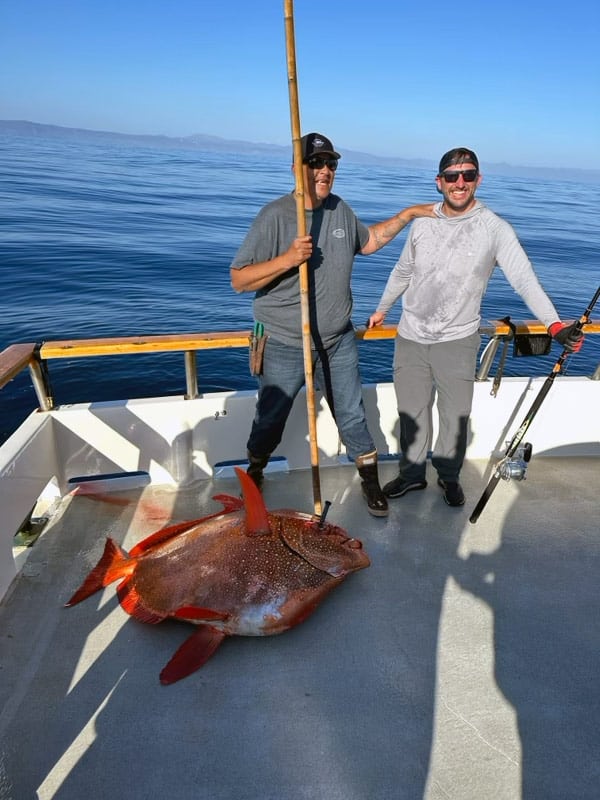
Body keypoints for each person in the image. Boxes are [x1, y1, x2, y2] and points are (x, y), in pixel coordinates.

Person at [230, 132, 435, 517]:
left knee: (353, 414)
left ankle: (370, 481)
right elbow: (239, 280)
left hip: (337, 341)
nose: (324, 171)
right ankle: (255, 472)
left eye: (331, 164)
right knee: (271, 416)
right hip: (283, 342)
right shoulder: (274, 216)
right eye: (315, 163)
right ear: (297, 168)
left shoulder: (340, 210)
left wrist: (406, 216)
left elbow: (369, 240)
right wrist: (288, 259)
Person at [367, 146, 583, 508]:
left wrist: (555, 324)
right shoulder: (421, 222)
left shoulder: (495, 228)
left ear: (478, 180)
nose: (460, 182)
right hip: (410, 335)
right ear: (439, 183)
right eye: (452, 176)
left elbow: (525, 281)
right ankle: (411, 475)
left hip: (458, 339)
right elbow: (403, 270)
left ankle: (448, 477)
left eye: (468, 175)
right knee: (412, 414)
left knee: (455, 417)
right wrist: (382, 308)